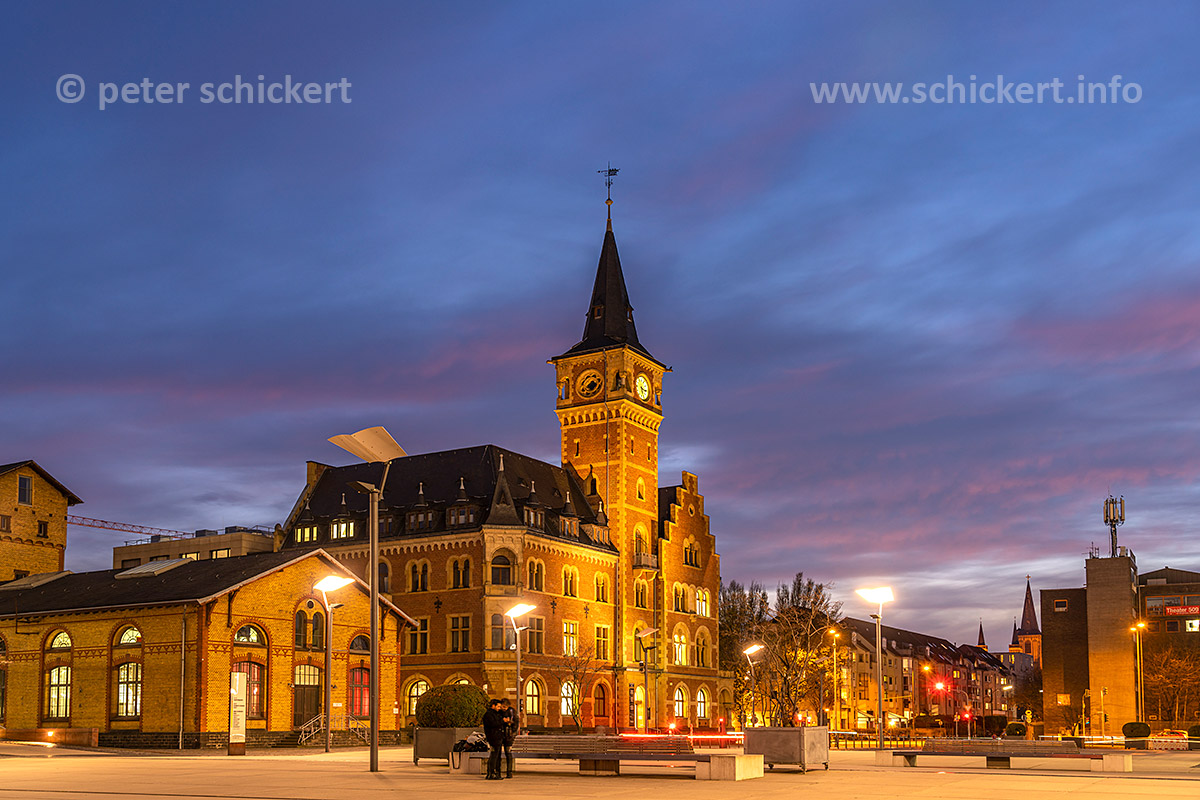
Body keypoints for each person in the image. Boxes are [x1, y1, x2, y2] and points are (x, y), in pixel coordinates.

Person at [482, 698, 507, 780]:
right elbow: (493, 724)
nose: (500, 708)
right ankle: (491, 773)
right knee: (494, 756)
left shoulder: (497, 714)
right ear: (493, 706)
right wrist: (502, 721)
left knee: (497, 756)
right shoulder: (489, 715)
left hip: (498, 737)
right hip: (493, 737)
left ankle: (496, 772)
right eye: (498, 706)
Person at [499, 698, 518, 778]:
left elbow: (516, 722)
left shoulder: (511, 711)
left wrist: (512, 730)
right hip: (500, 734)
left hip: (508, 735)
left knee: (508, 753)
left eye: (505, 707)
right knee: (498, 753)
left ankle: (509, 771)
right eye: (503, 706)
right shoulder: (499, 712)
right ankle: (498, 771)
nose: (503, 708)